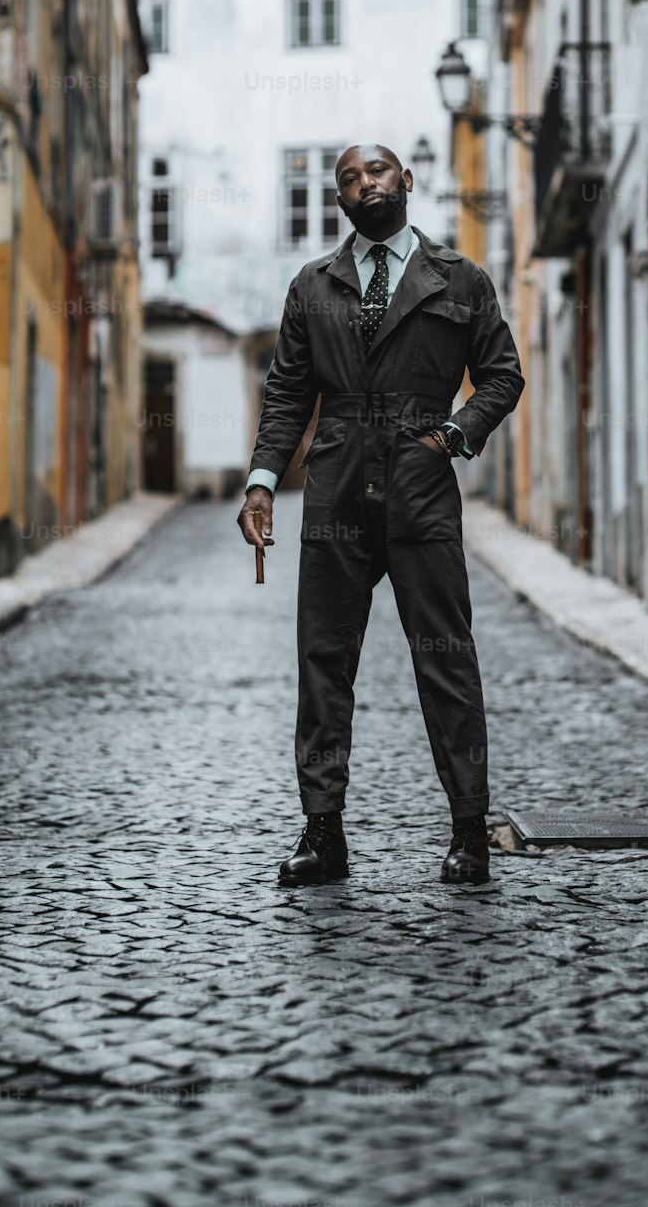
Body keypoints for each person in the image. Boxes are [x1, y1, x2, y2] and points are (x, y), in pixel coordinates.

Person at [237, 143, 524, 885]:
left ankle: (470, 831)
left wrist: (455, 434)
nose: (366, 184)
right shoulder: (313, 286)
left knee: (446, 657)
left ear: (407, 181)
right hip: (334, 489)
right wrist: (264, 479)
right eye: (350, 178)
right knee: (324, 660)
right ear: (339, 198)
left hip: (422, 488)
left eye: (379, 171)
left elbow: (502, 374)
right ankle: (323, 832)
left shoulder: (459, 279)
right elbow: (288, 390)